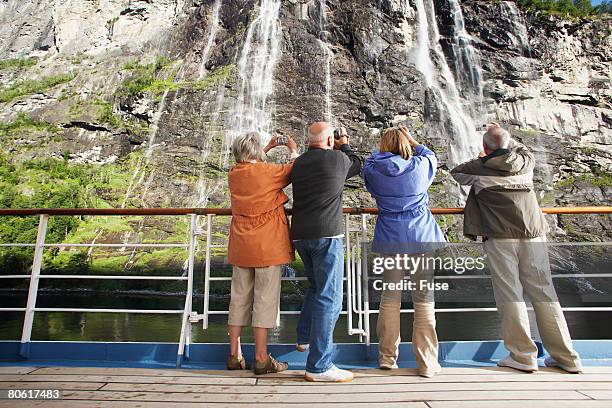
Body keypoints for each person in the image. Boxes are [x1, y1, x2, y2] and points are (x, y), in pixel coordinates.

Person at [451, 123, 582, 374]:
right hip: (533, 235)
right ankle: (567, 357)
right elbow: (517, 148)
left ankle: (523, 356)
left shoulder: (478, 168)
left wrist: (484, 155)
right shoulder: (527, 161)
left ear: (485, 147)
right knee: (545, 292)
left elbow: (458, 172)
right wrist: (503, 139)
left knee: (510, 295)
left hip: (500, 238)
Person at [362, 126, 445, 377]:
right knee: (423, 300)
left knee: (389, 298)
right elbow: (430, 153)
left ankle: (387, 357)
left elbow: (368, 162)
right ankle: (427, 363)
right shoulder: (420, 166)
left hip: (390, 237)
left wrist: (383, 151)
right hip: (421, 236)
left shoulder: (374, 170)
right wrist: (412, 141)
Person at [291, 122, 362, 382]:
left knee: (315, 287)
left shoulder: (298, 163)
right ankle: (319, 366)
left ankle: (303, 338)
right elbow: (357, 163)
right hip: (327, 235)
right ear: (330, 140)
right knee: (329, 296)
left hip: (300, 235)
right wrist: (345, 143)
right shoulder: (337, 159)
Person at [226, 132, 299, 375]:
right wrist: (291, 147)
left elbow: (252, 167)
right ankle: (261, 358)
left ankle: (234, 354)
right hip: (267, 246)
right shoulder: (270, 173)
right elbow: (294, 168)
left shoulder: (234, 174)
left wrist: (265, 148)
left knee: (238, 298)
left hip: (241, 245)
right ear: (256, 152)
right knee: (264, 301)